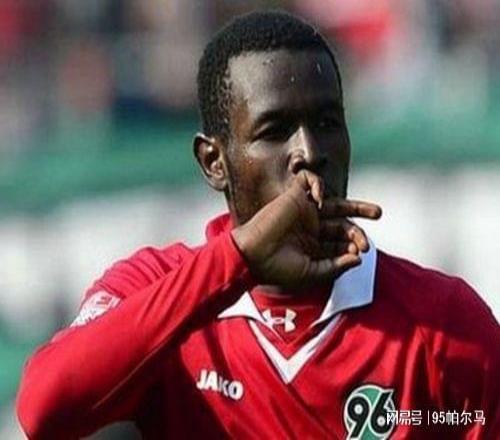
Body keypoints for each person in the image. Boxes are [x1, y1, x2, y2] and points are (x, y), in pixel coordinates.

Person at [16, 11, 499, 440]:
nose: (308, 152)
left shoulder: (444, 321)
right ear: (214, 162)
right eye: (274, 131)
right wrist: (238, 260)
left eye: (327, 123)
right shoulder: (155, 288)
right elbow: (44, 410)